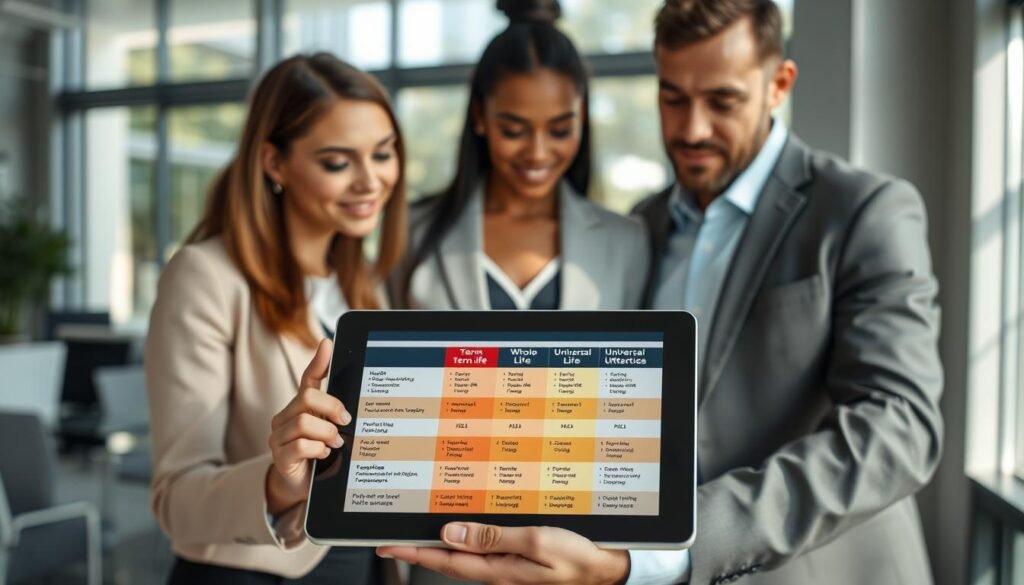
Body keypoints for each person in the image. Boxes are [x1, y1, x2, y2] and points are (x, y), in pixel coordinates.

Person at [378, 1, 944, 584]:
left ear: (778, 85)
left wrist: (675, 549)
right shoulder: (643, 227)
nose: (693, 128)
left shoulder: (861, 210)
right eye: (673, 97)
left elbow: (899, 427)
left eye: (722, 101)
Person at [145, 53, 407, 584]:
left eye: (383, 154)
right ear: (274, 163)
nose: (370, 181)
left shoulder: (366, 285)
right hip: (252, 570)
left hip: (363, 566)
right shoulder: (206, 276)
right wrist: (279, 482)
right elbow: (174, 498)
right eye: (338, 162)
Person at [395, 0, 648, 312]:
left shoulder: (626, 242)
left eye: (559, 130)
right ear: (479, 116)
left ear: (581, 116)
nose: (537, 154)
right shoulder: (413, 231)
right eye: (514, 131)